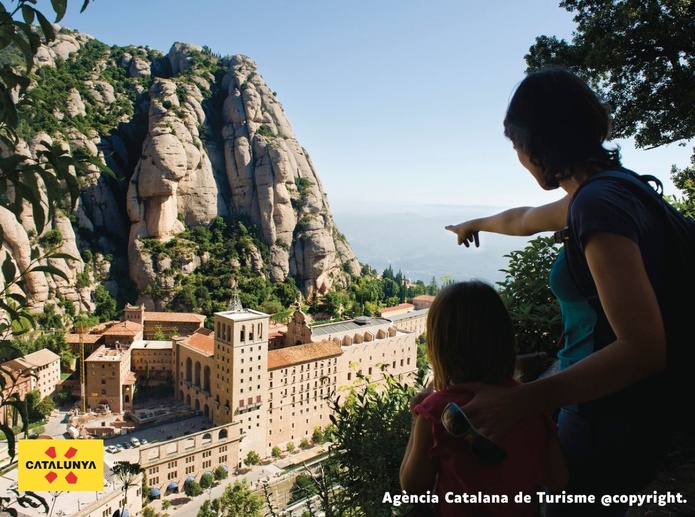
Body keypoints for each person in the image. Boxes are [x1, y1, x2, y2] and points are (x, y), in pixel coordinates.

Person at [445, 67, 675, 516]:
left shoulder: (597, 205)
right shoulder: (618, 188)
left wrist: (521, 401)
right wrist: (476, 224)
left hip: (607, 414)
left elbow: (645, 348)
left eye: (515, 145)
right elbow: (526, 218)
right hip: (633, 413)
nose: (518, 157)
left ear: (536, 142)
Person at [400, 281, 567, 517]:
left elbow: (413, 489)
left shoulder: (436, 409)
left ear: (440, 347)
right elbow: (558, 478)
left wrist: (416, 418)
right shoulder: (527, 403)